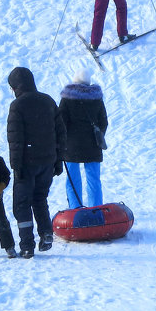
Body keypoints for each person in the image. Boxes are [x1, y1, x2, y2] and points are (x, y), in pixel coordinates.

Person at [6, 66, 67, 258]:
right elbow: (61, 132)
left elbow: (15, 139)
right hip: (47, 162)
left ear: (16, 87)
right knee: (40, 199)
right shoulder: (48, 100)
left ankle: (27, 246)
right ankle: (46, 233)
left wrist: (16, 166)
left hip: (26, 163)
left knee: (22, 204)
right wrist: (58, 160)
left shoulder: (17, 106)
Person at [58, 68, 109, 209]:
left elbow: (61, 123)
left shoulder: (67, 99)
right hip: (93, 145)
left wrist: (64, 140)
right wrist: (98, 136)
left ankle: (75, 210)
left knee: (72, 180)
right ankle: (96, 208)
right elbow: (103, 122)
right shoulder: (96, 98)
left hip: (71, 145)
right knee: (94, 179)